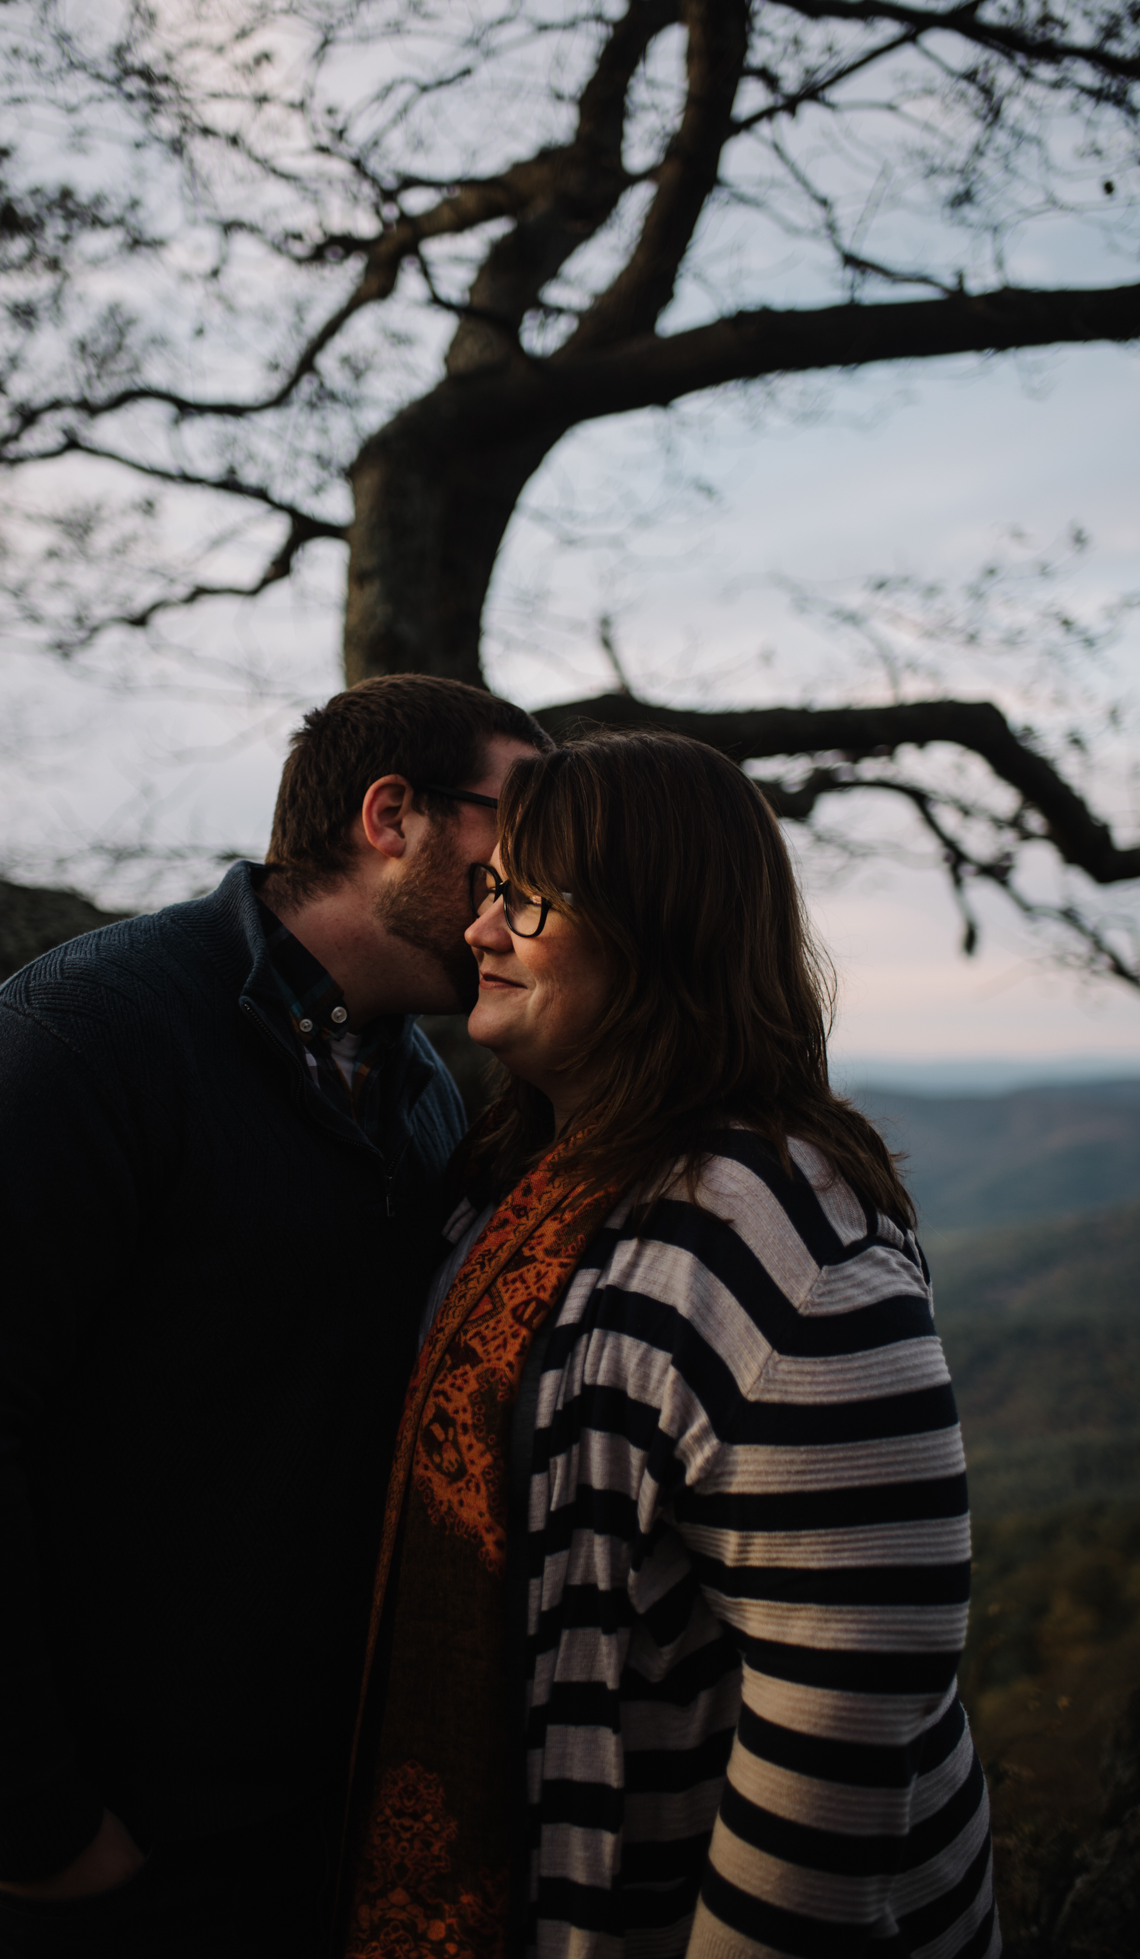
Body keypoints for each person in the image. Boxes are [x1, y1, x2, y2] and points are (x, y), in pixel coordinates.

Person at [0, 673, 551, 1959]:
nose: (531, 888)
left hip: (291, 1834)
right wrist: (35, 1828)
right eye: (516, 835)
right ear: (393, 816)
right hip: (88, 1863)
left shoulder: (418, 1083)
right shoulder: (78, 1039)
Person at [344, 730, 998, 1959]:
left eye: (528, 900)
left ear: (661, 931)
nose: (482, 930)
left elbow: (846, 1722)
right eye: (492, 892)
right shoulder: (522, 1183)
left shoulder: (789, 1248)